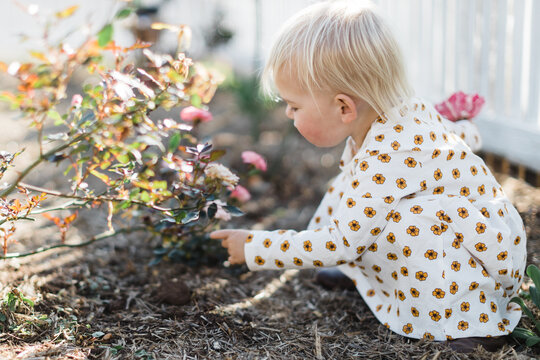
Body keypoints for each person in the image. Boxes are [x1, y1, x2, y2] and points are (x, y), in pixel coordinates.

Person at [210, 0, 526, 353]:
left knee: (400, 223)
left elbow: (341, 241)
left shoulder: (387, 156)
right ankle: (362, 274)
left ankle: (470, 322)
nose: (287, 113)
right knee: (352, 195)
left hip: (478, 261)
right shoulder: (399, 113)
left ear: (344, 107)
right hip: (480, 237)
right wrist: (466, 128)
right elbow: (450, 136)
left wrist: (255, 247)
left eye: (294, 106)